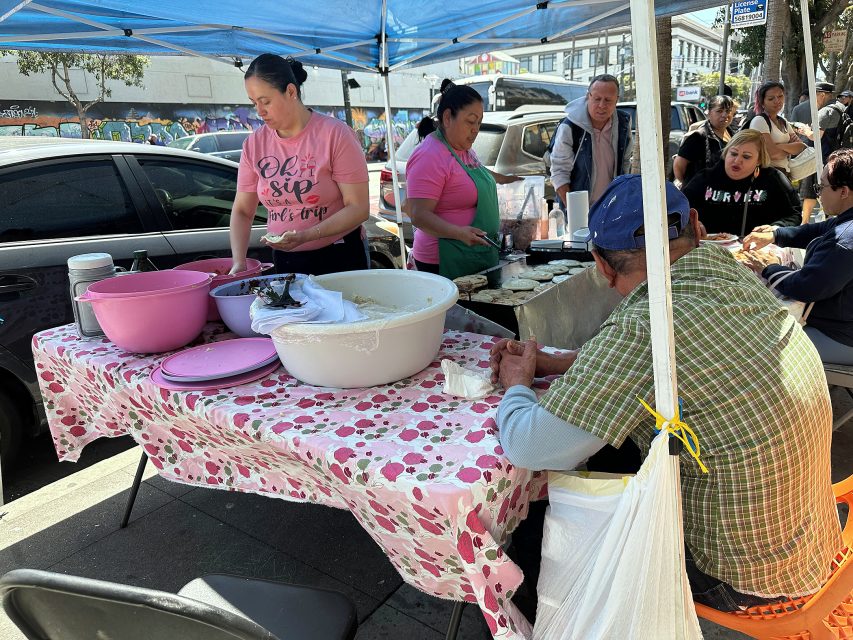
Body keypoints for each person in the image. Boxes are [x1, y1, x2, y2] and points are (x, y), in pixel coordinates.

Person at [490, 174, 841, 615]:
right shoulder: (725, 269)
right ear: (695, 225)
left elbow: (529, 445)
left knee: (533, 532)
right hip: (805, 539)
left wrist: (518, 383)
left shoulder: (648, 321)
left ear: (600, 265)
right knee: (611, 451)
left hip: (745, 575)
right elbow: (662, 366)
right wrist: (559, 365)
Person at [229, 53, 369, 276]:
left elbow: (359, 207)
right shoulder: (254, 144)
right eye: (254, 103)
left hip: (338, 256)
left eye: (265, 101)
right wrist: (239, 262)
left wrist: (308, 235)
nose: (259, 111)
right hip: (286, 261)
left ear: (291, 92)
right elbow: (243, 210)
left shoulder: (335, 134)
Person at [743, 148, 853, 365]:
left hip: (841, 337)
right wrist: (774, 235)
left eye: (822, 186)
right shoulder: (845, 221)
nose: (818, 192)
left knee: (754, 343)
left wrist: (770, 268)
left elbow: (806, 286)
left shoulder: (844, 240)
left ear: (844, 191)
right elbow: (815, 230)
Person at [405, 79, 519, 280]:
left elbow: (476, 174)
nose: (476, 129)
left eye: (479, 122)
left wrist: (508, 179)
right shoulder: (429, 155)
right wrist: (459, 233)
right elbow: (418, 215)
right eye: (470, 121)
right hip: (443, 260)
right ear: (448, 117)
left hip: (474, 254)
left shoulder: (465, 150)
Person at [682, 129, 801, 236]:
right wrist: (690, 222)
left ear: (759, 160)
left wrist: (776, 228)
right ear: (726, 153)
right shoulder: (705, 178)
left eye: (746, 157)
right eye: (733, 154)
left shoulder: (773, 179)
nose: (737, 160)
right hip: (710, 249)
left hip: (756, 250)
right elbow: (679, 210)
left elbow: (794, 214)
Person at [548, 74, 634, 206]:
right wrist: (575, 209)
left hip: (610, 208)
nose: (601, 105)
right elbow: (559, 173)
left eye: (608, 100)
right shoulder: (570, 126)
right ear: (588, 96)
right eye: (597, 99)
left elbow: (626, 163)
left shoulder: (623, 123)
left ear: (617, 100)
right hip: (576, 210)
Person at [790, 82, 837, 222]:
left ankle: (806, 223)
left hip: (820, 157)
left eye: (814, 96)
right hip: (829, 156)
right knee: (818, 191)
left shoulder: (825, 111)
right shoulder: (840, 108)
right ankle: (808, 223)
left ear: (822, 95)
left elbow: (815, 136)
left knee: (813, 191)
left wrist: (805, 130)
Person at [747, 81, 807, 177]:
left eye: (780, 96)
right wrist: (789, 148)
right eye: (771, 98)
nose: (777, 101)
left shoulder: (783, 122)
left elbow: (801, 147)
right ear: (762, 102)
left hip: (784, 173)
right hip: (767, 174)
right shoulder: (759, 121)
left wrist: (778, 146)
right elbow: (772, 153)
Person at [673, 95, 735, 187]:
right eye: (719, 111)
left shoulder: (733, 135)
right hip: (700, 194)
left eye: (728, 111)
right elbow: (678, 166)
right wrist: (693, 184)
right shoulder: (698, 137)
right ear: (709, 113)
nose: (725, 115)